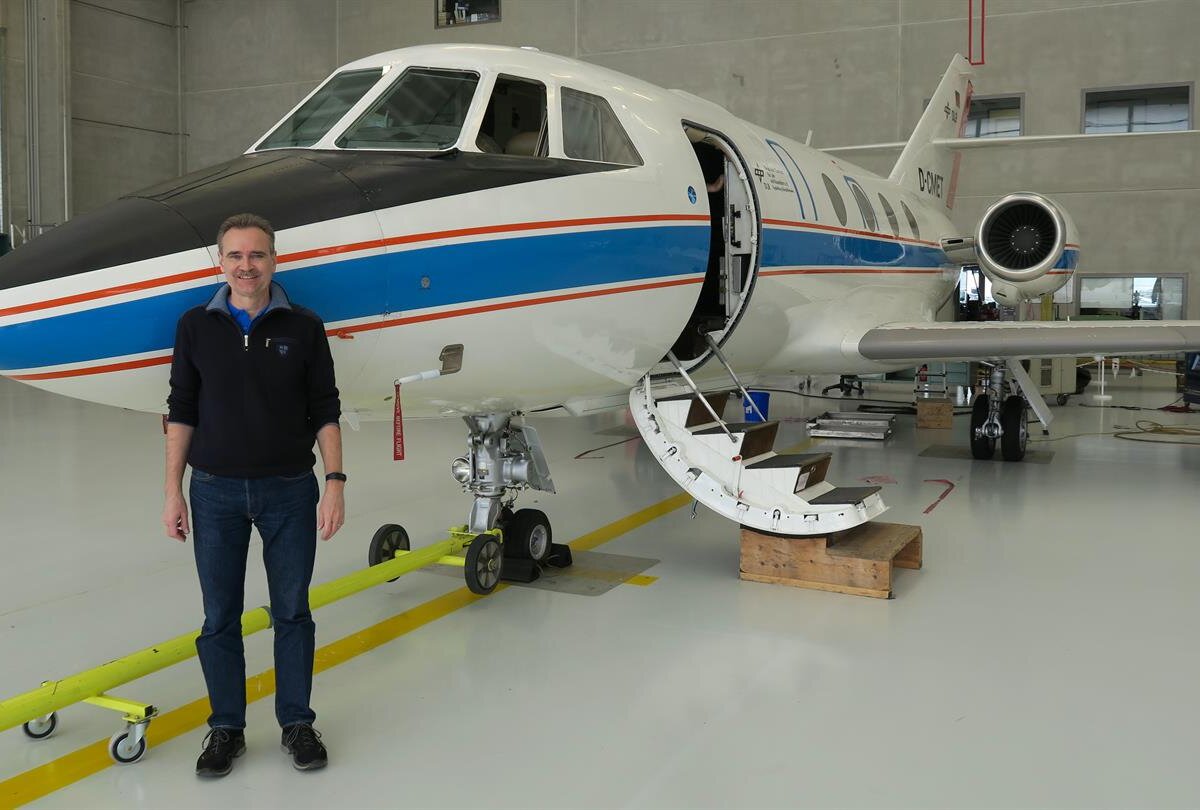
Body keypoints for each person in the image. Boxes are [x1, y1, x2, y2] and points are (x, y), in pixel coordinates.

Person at [163, 213, 345, 777]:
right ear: (221, 262)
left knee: (292, 612)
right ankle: (226, 728)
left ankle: (297, 723)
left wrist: (334, 483)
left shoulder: (304, 326)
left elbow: (326, 408)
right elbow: (181, 410)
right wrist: (173, 491)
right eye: (236, 256)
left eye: (257, 255)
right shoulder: (195, 326)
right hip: (213, 492)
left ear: (274, 260)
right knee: (219, 617)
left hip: (289, 491)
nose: (247, 266)